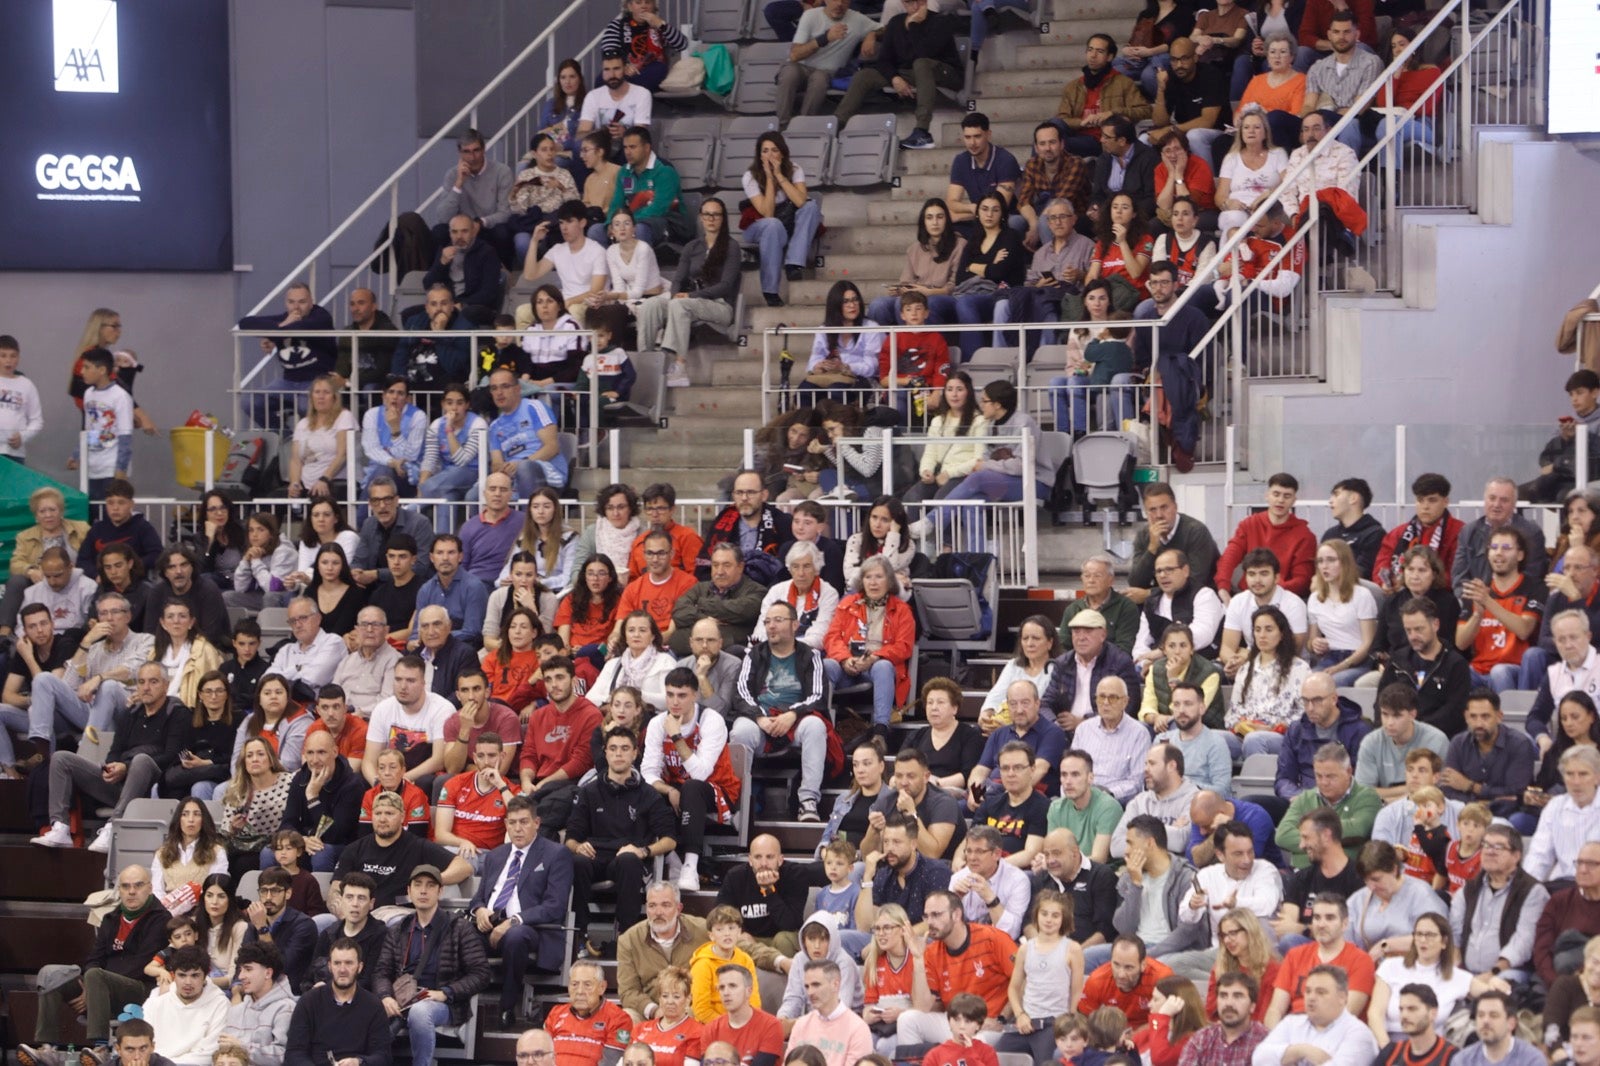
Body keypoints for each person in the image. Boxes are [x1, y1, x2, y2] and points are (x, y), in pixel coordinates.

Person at [20, 864, 170, 1066]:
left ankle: (101, 1048)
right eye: (125, 887)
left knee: (95, 975)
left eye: (138, 885)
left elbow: (142, 964)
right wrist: (92, 987)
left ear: (150, 888)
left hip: (140, 989)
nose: (132, 891)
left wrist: (96, 983)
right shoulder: (111, 918)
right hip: (100, 986)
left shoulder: (161, 919)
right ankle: (49, 1048)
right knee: (52, 973)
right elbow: (94, 958)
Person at [34, 661, 182, 852]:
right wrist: (113, 767)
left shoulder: (178, 713)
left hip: (152, 784)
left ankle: (114, 826)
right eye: (142, 682)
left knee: (141, 760)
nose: (146, 687)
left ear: (166, 685)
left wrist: (126, 767)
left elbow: (172, 756)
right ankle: (60, 827)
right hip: (121, 784)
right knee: (61, 758)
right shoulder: (131, 714)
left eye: (153, 682)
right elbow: (115, 750)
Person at [569, 726, 679, 956]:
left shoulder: (648, 794)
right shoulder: (589, 792)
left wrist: (644, 851)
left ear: (635, 753)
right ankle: (580, 935)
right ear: (605, 753)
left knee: (629, 860)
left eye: (624, 749)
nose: (619, 754)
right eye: (613, 749)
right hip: (595, 856)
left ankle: (625, 938)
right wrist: (578, 846)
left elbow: (670, 840)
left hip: (628, 858)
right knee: (577, 861)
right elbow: (570, 839)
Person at [370, 865, 491, 1066]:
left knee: (420, 1011)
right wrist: (385, 996)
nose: (423, 891)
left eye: (430, 885)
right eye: (417, 885)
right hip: (403, 999)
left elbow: (481, 973)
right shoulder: (399, 928)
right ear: (409, 891)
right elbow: (381, 971)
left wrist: (446, 992)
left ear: (440, 891)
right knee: (363, 1010)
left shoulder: (459, 927)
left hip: (444, 1003)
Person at [468, 795, 573, 1027]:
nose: (518, 828)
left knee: (515, 937)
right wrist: (479, 910)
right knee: (456, 931)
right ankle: (456, 1002)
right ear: (505, 824)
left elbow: (555, 906)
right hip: (491, 924)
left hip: (532, 929)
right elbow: (478, 898)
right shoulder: (496, 855)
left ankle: (507, 1007)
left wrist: (514, 921)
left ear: (537, 823)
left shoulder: (556, 854)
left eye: (524, 822)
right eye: (512, 822)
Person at [894, 889, 1015, 1049]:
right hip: (954, 1021)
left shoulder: (992, 938)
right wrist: (918, 959)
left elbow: (1024, 981)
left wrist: (1002, 1019)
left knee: (975, 1043)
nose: (929, 922)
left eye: (936, 915)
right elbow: (923, 1008)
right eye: (926, 916)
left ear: (956, 915)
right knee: (908, 1019)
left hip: (988, 1024)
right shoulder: (930, 952)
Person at [821, 558, 915, 739]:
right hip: (848, 665)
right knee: (826, 665)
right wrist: (845, 659)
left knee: (883, 666)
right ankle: (823, 726)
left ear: (889, 581)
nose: (873, 582)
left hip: (877, 667)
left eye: (878, 577)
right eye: (868, 577)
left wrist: (874, 657)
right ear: (861, 581)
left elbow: (904, 647)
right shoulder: (847, 604)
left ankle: (881, 730)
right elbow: (831, 638)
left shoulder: (902, 610)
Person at [519, 653, 601, 832]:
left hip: (572, 783)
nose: (554, 685)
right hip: (539, 784)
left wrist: (543, 784)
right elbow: (529, 754)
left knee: (538, 819)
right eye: (548, 679)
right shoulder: (539, 715)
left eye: (560, 677)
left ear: (573, 680)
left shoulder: (591, 714)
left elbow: (581, 762)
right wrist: (526, 781)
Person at [283, 938, 389, 1066]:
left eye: (349, 963)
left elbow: (383, 1056)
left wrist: (359, 1062)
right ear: (329, 966)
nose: (342, 969)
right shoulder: (309, 1002)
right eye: (337, 963)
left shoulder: (374, 1006)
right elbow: (294, 1053)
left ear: (359, 967)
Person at [1378, 594, 1472, 738]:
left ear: (1435, 624)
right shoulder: (1397, 660)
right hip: (1397, 737)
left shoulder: (1456, 664)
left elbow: (1455, 711)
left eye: (1419, 629)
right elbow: (1381, 700)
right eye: (1408, 630)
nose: (1413, 636)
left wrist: (1415, 730)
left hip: (1438, 738)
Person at [1277, 741, 1381, 867]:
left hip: (1346, 877)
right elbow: (1283, 836)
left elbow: (1358, 830)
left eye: (1331, 776)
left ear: (1348, 772)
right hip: (1302, 875)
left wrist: (1309, 838)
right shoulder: (1305, 798)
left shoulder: (1367, 797)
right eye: (1318, 776)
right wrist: (1334, 841)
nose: (1324, 782)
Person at [1253, 965, 1379, 1066]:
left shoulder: (1358, 1033)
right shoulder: (1291, 1023)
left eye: (1321, 992)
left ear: (1342, 997)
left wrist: (1285, 1058)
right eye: (1308, 991)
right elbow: (1258, 1059)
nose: (1311, 998)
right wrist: (1301, 1050)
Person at [1441, 689, 1537, 818]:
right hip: (1466, 814)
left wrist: (1471, 786)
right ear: (1466, 717)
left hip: (1508, 814)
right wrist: (1479, 804)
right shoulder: (1458, 743)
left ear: (1499, 717)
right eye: (1473, 717)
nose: (1479, 724)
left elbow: (1515, 793)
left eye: (1485, 716)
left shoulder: (1519, 744)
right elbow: (1448, 789)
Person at [1053, 36, 1152, 157]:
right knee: (1050, 129)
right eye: (1090, 50)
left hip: (1102, 140)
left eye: (1099, 51)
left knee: (1055, 145)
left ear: (1109, 57)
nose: (1093, 55)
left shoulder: (1124, 83)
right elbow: (1063, 119)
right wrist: (1083, 122)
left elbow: (1145, 111)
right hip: (1077, 135)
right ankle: (1032, 173)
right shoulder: (1074, 86)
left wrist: (1112, 113)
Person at [1077, 935, 1173, 1030]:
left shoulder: (1162, 978)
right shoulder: (1097, 980)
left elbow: (1171, 1019)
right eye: (1116, 964)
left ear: (1143, 965)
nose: (1121, 975)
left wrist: (1139, 1034)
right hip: (1115, 1033)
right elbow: (1084, 1020)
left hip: (1152, 1030)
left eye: (1129, 967)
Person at [702, 974, 786, 1066]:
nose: (726, 993)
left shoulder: (771, 1025)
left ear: (749, 991)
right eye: (721, 987)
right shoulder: (710, 1028)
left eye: (732, 986)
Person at [1453, 991, 1546, 1066]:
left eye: (1494, 1015)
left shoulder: (1531, 1059)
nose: (1485, 1021)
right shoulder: (1462, 1061)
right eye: (1481, 1015)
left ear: (1511, 1023)